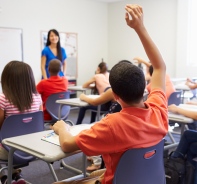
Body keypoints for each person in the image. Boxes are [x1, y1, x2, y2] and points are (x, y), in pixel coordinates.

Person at [52, 4, 168, 184]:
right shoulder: (158, 110)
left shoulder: (112, 125)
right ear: (145, 87)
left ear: (115, 95)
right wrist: (140, 27)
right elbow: (160, 67)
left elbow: (67, 144)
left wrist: (62, 128)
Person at [0, 61, 42, 183]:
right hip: (32, 148)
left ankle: (5, 178)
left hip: (9, 150)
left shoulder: (3, 98)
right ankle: (16, 177)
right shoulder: (37, 97)